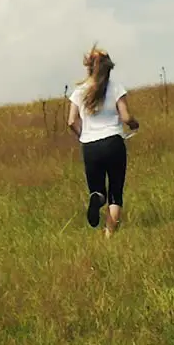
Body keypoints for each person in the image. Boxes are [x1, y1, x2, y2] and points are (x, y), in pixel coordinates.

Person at [67, 46, 140, 237]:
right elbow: (125, 117)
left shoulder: (79, 91)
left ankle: (96, 199)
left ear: (89, 66)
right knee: (115, 192)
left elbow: (71, 121)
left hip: (90, 146)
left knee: (98, 191)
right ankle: (109, 235)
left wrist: (82, 135)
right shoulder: (116, 88)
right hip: (113, 143)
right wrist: (134, 124)